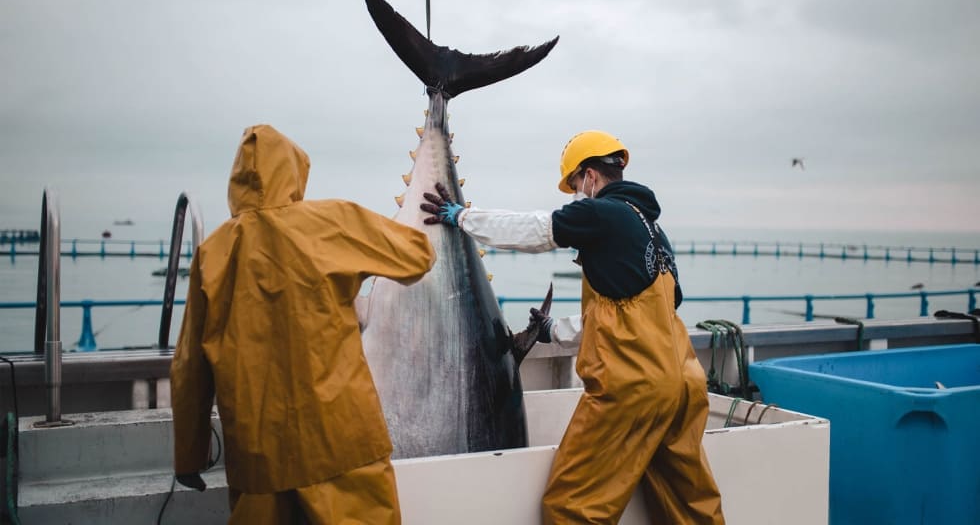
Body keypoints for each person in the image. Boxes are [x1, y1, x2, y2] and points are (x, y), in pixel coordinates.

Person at [421, 130, 725, 524]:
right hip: (683, 386)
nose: (576, 196)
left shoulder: (602, 213)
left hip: (632, 390)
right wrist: (552, 331)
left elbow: (536, 230)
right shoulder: (654, 232)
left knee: (572, 506)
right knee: (690, 504)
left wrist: (461, 217)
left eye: (576, 187)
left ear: (591, 177)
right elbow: (632, 316)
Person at [171, 124, 435, 524]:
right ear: (296, 173)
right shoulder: (333, 221)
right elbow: (419, 256)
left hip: (257, 457)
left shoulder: (212, 253)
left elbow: (189, 367)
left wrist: (189, 456)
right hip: (344, 443)